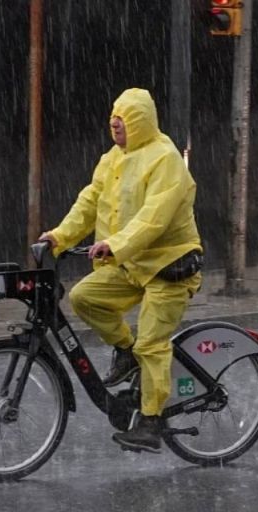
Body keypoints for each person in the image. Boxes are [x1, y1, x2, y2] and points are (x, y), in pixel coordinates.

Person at [38, 88, 203, 453]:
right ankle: (125, 351)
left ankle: (151, 421)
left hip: (169, 265)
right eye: (113, 123)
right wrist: (59, 237)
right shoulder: (112, 159)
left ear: (141, 122)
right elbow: (90, 201)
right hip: (130, 264)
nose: (116, 129)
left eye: (123, 123)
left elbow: (154, 218)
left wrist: (115, 244)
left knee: (152, 343)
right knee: (84, 297)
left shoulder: (166, 159)